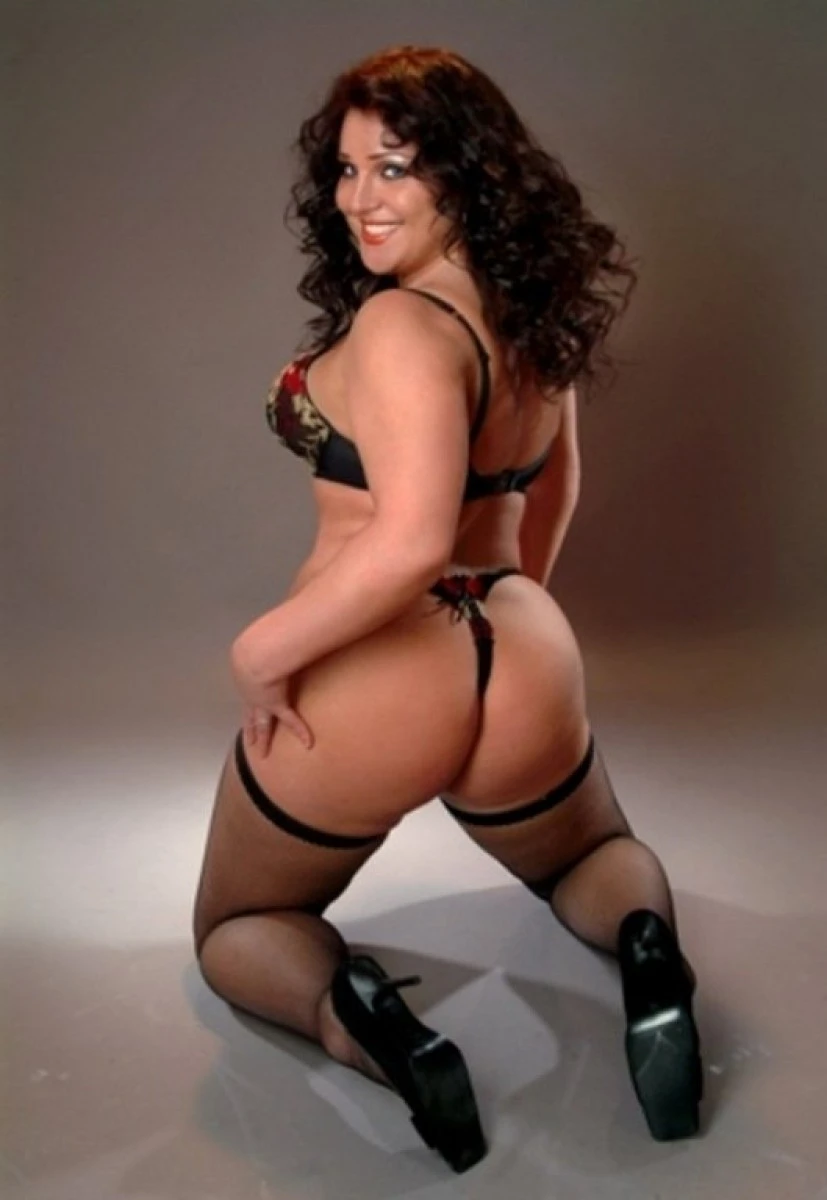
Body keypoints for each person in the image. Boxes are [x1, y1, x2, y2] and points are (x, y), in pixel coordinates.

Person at [193, 45, 703, 1173]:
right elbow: (555, 485)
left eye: (393, 168)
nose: (358, 199)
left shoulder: (399, 326)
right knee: (590, 857)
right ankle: (650, 957)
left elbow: (413, 540)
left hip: (376, 665)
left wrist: (261, 651)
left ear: (464, 174)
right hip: (522, 645)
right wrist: (513, 621)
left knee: (238, 927)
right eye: (345, 170)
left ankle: (368, 1023)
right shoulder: (529, 317)